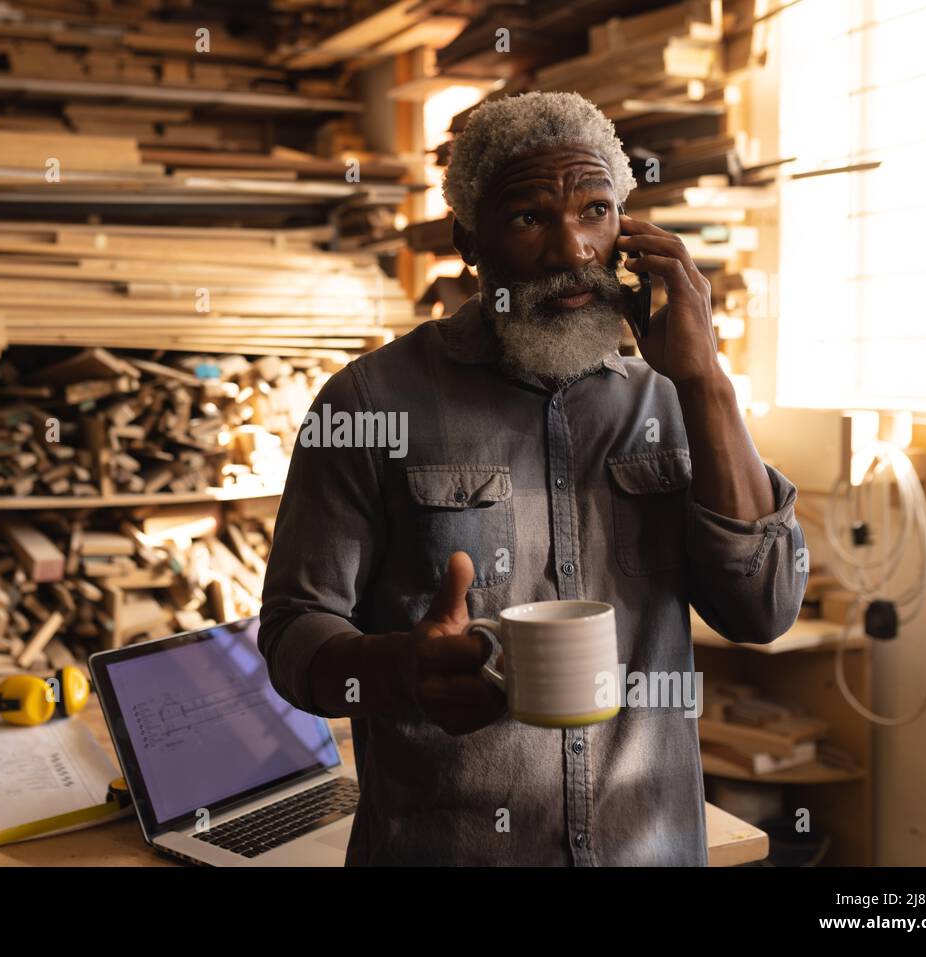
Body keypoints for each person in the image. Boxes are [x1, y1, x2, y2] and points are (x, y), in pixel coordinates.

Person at [259, 91, 806, 865]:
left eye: (595, 210)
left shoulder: (674, 398)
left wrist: (708, 381)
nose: (572, 249)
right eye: (528, 218)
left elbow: (764, 608)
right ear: (468, 243)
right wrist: (406, 669)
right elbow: (291, 635)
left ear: (627, 230)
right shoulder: (368, 403)